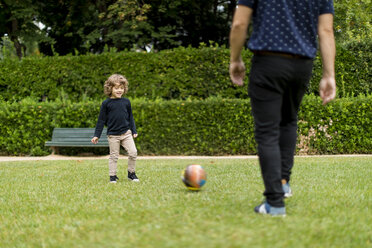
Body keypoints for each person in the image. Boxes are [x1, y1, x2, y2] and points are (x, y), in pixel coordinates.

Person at [229, 0, 336, 216]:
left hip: (268, 62)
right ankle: (283, 183)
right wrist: (328, 75)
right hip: (302, 66)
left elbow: (240, 24)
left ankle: (275, 203)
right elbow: (325, 30)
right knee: (288, 121)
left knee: (267, 132)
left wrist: (235, 59)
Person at [91, 74, 140, 183]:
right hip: (113, 135)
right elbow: (101, 121)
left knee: (133, 152)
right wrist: (96, 135)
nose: (119, 90)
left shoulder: (126, 102)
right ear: (110, 88)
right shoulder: (106, 104)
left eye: (121, 88)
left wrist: (134, 130)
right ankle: (112, 176)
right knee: (114, 156)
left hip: (126, 133)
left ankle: (131, 173)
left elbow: (130, 117)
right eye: (116, 88)